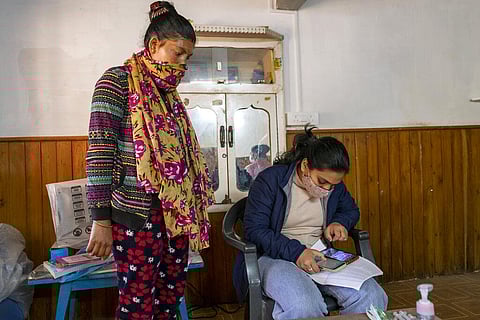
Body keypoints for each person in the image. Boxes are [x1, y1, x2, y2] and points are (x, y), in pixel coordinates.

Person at [85, 2, 214, 319]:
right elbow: (100, 151)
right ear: (154, 45)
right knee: (137, 304)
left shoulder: (169, 96)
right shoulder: (116, 82)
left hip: (176, 217)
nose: (182, 64)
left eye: (188, 58)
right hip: (136, 216)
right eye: (178, 53)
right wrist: (101, 220)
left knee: (170, 299)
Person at [233, 127, 387, 319]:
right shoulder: (270, 180)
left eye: (333, 184)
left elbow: (350, 210)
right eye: (322, 181)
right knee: (305, 305)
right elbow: (255, 230)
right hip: (274, 257)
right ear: (305, 166)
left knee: (372, 296)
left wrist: (339, 222)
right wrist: (297, 252)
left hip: (321, 256)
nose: (327, 189)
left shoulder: (333, 186)